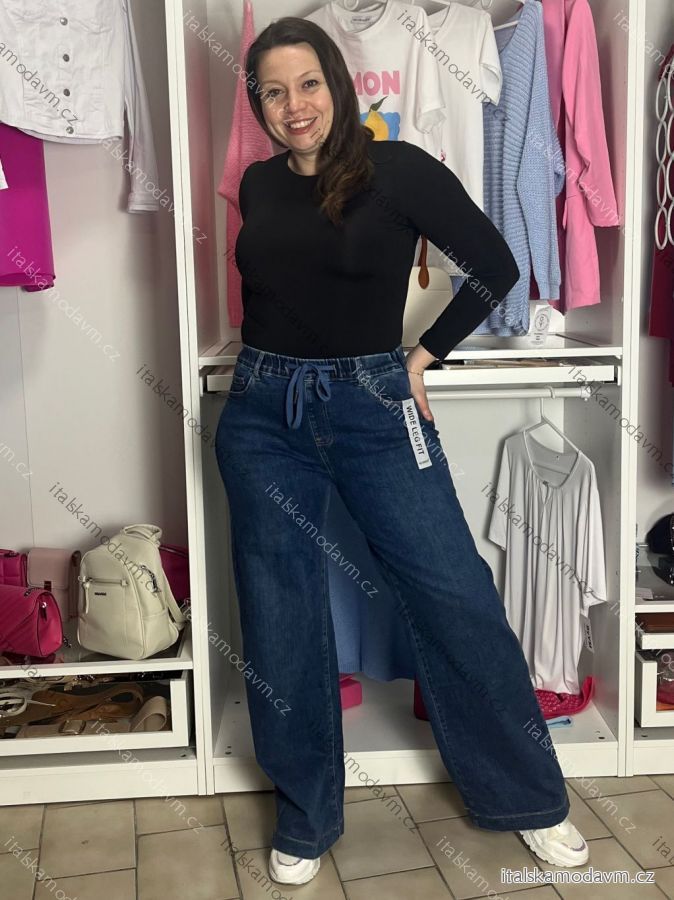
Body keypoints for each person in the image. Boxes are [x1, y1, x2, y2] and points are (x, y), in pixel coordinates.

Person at [215, 15, 588, 887]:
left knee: (454, 593)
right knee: (279, 611)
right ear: (258, 105)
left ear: (338, 84)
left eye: (308, 83)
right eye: (273, 91)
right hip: (264, 410)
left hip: (375, 405)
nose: (294, 105)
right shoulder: (259, 185)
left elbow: (496, 266)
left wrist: (421, 358)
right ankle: (307, 815)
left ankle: (529, 801)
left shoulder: (398, 169)